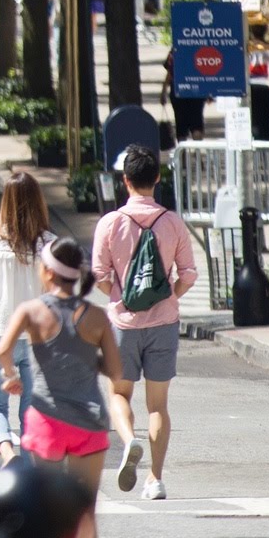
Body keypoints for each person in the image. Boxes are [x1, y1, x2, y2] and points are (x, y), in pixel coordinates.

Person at [0, 238, 126, 538]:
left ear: (49, 272)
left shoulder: (31, 311)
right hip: (88, 422)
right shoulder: (97, 316)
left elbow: (3, 349)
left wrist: (10, 376)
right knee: (85, 511)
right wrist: (88, 359)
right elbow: (117, 372)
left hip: (45, 422)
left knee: (45, 508)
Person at [88, 144, 195, 499]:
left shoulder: (110, 223)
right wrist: (169, 297)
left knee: (119, 392)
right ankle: (156, 479)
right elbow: (189, 274)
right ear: (158, 179)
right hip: (164, 322)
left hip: (122, 323)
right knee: (158, 404)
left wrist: (119, 296)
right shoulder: (173, 222)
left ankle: (128, 439)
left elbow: (100, 275)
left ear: (125, 181)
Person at [0, 175, 51, 467]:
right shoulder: (48, 244)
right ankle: (26, 466)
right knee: (31, 409)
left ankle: (7, 453)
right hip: (37, 337)